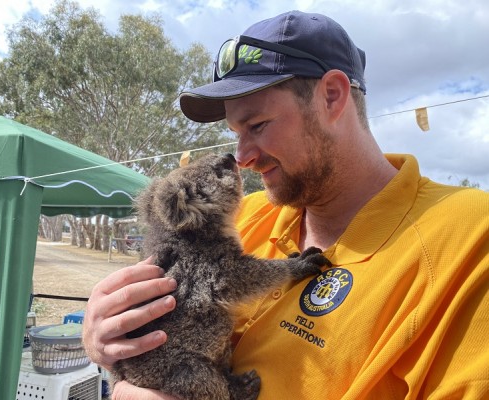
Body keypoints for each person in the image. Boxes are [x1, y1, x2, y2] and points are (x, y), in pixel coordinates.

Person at [82, 10, 489, 399]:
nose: (242, 158)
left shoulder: (467, 237)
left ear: (331, 96)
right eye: (235, 132)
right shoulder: (248, 216)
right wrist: (107, 341)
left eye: (257, 125)